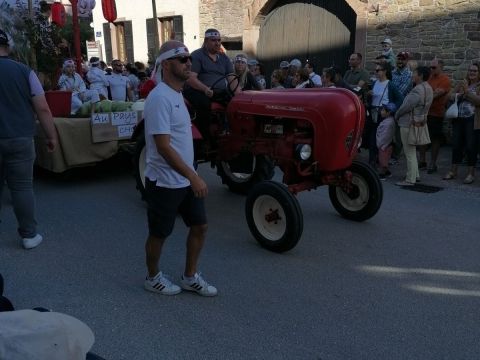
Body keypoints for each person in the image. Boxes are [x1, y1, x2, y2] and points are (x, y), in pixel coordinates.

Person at [142, 40, 217, 297]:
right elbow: (162, 146)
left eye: (189, 59)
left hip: (185, 178)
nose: (189, 63)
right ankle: (152, 278)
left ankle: (189, 276)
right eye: (182, 59)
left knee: (200, 226)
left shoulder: (177, 95)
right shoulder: (159, 98)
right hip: (165, 181)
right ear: (166, 64)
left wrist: (190, 175)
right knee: (160, 233)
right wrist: (192, 176)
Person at [0, 29, 58, 249]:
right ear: (8, 46)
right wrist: (51, 135)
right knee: (22, 187)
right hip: (20, 137)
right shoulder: (25, 71)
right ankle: (29, 235)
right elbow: (42, 108)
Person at [183, 28, 238, 139]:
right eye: (213, 40)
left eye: (218, 40)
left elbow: (232, 79)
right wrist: (205, 89)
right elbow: (191, 78)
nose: (217, 43)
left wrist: (240, 95)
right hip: (197, 90)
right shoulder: (197, 55)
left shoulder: (224, 58)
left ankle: (231, 133)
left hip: (217, 91)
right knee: (203, 104)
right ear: (206, 41)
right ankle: (204, 137)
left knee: (236, 105)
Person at [394, 66, 433, 186]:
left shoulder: (417, 90)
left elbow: (406, 107)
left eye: (414, 73)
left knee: (409, 152)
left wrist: (397, 114)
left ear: (420, 75)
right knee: (412, 151)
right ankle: (415, 175)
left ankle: (410, 179)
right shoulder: (429, 88)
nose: (412, 75)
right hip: (420, 122)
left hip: (408, 123)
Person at [443, 63, 480, 184]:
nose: (472, 72)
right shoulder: (463, 83)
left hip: (472, 120)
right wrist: (460, 94)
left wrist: (466, 92)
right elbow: (449, 96)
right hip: (459, 119)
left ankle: (471, 174)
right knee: (456, 145)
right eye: (470, 70)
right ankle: (453, 171)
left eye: (474, 71)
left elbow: (478, 101)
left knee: (471, 147)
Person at [418, 59, 451, 174]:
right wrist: (429, 92)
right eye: (430, 67)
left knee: (435, 139)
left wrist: (427, 93)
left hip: (436, 113)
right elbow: (424, 90)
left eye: (434, 67)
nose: (431, 70)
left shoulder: (445, 80)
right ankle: (422, 161)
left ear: (441, 67)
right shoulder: (429, 78)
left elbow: (436, 95)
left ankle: (433, 163)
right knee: (422, 137)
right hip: (425, 112)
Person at [376, 103, 397, 179]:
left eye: (383, 110)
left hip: (384, 145)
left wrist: (380, 144)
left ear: (388, 113)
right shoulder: (389, 121)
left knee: (383, 160)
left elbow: (385, 136)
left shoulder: (388, 123)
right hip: (387, 144)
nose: (381, 111)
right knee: (384, 159)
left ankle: (382, 174)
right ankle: (387, 172)